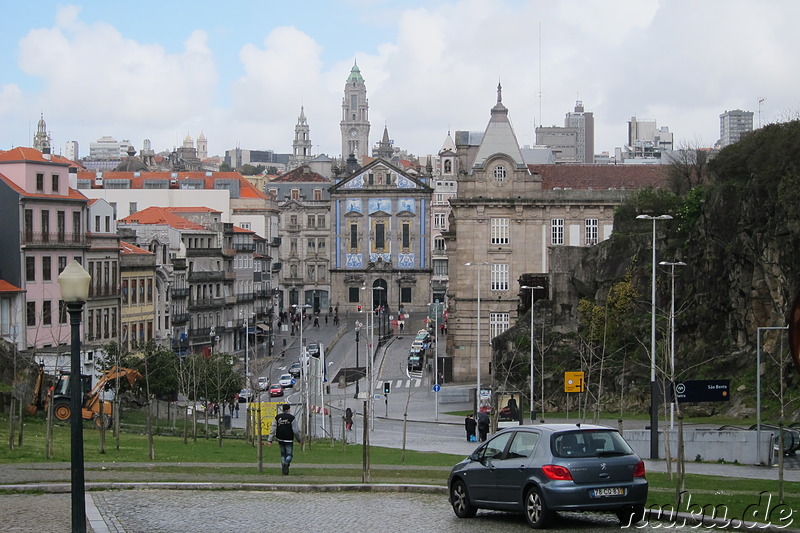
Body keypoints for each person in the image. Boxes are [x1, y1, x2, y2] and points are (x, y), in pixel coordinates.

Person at [268, 404, 303, 475]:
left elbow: (273, 428)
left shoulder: (277, 417)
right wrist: (299, 439)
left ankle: (284, 466)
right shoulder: (291, 418)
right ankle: (286, 463)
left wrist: (270, 440)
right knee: (289, 454)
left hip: (280, 438)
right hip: (289, 438)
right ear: (289, 409)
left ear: (282, 409)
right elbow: (296, 430)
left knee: (283, 454)